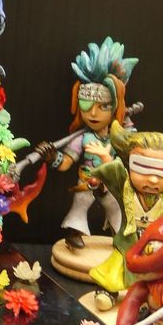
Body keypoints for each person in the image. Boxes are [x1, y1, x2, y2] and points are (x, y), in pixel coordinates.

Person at [83, 123, 163, 310]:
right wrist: (105, 157)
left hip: (156, 249)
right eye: (143, 168)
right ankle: (108, 291)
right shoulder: (126, 189)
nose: (153, 179)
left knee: (155, 276)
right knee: (117, 267)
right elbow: (115, 175)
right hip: (128, 243)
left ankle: (148, 299)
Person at [34, 38, 137, 251]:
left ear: (115, 106)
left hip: (112, 183)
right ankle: (74, 232)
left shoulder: (119, 134)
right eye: (86, 105)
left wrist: (125, 124)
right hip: (88, 179)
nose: (93, 114)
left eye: (103, 106)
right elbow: (66, 163)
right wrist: (52, 157)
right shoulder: (81, 138)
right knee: (80, 204)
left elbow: (132, 151)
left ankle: (123, 238)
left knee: (116, 209)